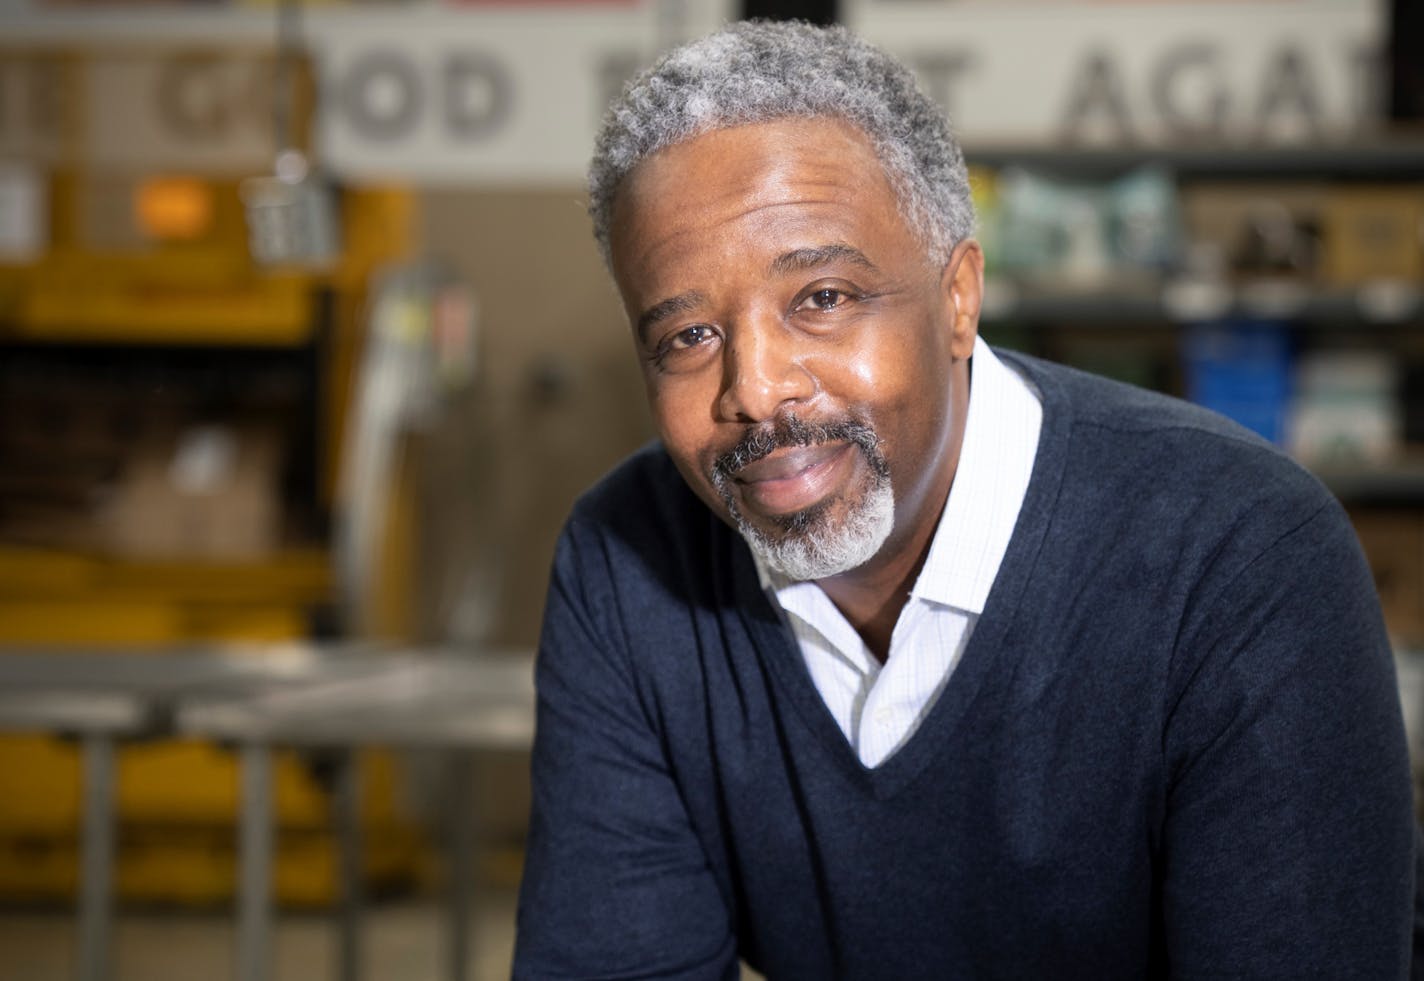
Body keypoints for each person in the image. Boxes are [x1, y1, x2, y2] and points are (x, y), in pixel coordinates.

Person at [513, 19, 1415, 979]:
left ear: (957, 298)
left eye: (821, 297)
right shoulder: (629, 560)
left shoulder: (1241, 556)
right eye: (688, 335)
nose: (756, 388)